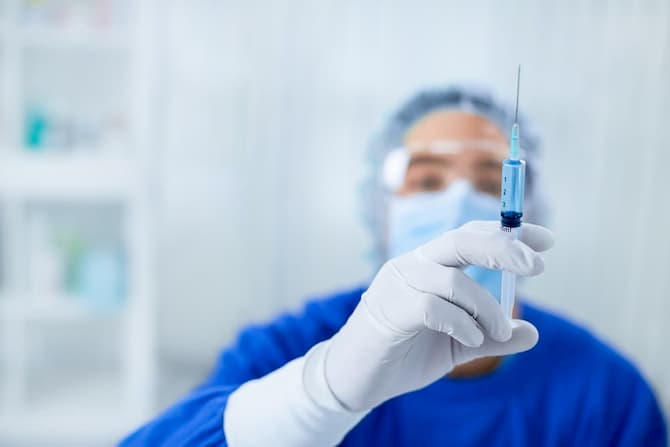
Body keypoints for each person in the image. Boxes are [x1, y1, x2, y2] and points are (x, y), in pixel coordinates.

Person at [119, 86, 667, 446]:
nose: (458, 203)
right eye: (427, 181)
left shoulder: (606, 393)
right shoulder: (286, 351)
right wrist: (319, 396)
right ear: (379, 210)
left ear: (525, 207)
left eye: (488, 181)